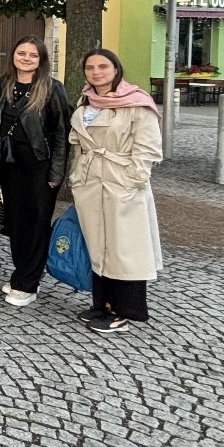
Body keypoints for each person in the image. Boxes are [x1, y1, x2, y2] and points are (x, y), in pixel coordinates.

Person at [70, 49, 163, 333]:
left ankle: (126, 310)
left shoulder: (136, 102)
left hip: (120, 181)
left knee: (124, 248)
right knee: (99, 245)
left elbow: (147, 148)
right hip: (90, 182)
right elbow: (79, 143)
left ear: (115, 68)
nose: (96, 72)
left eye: (102, 66)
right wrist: (76, 176)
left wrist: (131, 178)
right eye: (90, 67)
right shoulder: (87, 101)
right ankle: (102, 304)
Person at [0, 35, 72, 307]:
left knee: (37, 224)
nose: (26, 58)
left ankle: (28, 283)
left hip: (40, 167)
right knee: (15, 223)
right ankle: (20, 274)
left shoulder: (51, 88)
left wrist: (56, 174)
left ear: (41, 60)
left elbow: (62, 133)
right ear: (13, 55)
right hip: (10, 165)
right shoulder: (4, 84)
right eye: (21, 53)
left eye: (32, 55)